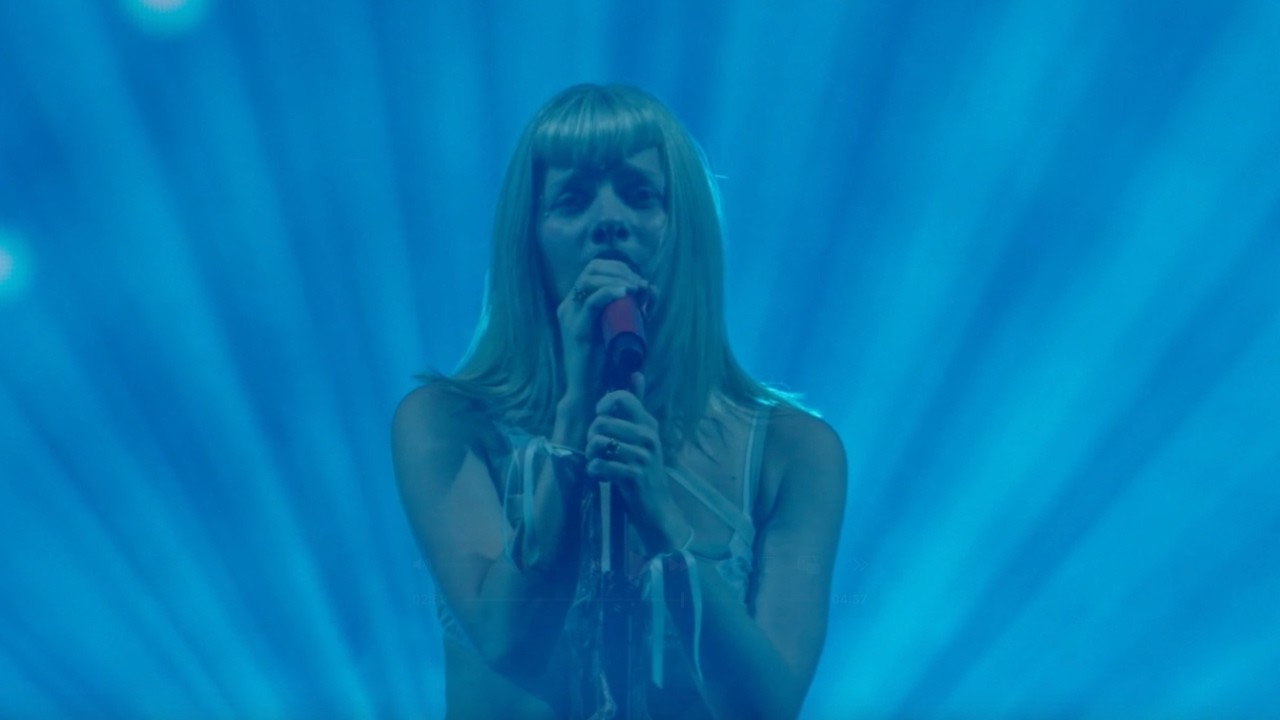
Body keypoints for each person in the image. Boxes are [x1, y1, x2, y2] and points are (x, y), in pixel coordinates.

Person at [392, 83, 847, 719]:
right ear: (529, 238)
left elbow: (769, 708)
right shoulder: (447, 423)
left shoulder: (794, 450)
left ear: (685, 228)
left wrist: (667, 528)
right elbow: (504, 639)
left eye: (640, 195)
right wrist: (571, 425)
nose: (609, 220)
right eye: (572, 199)